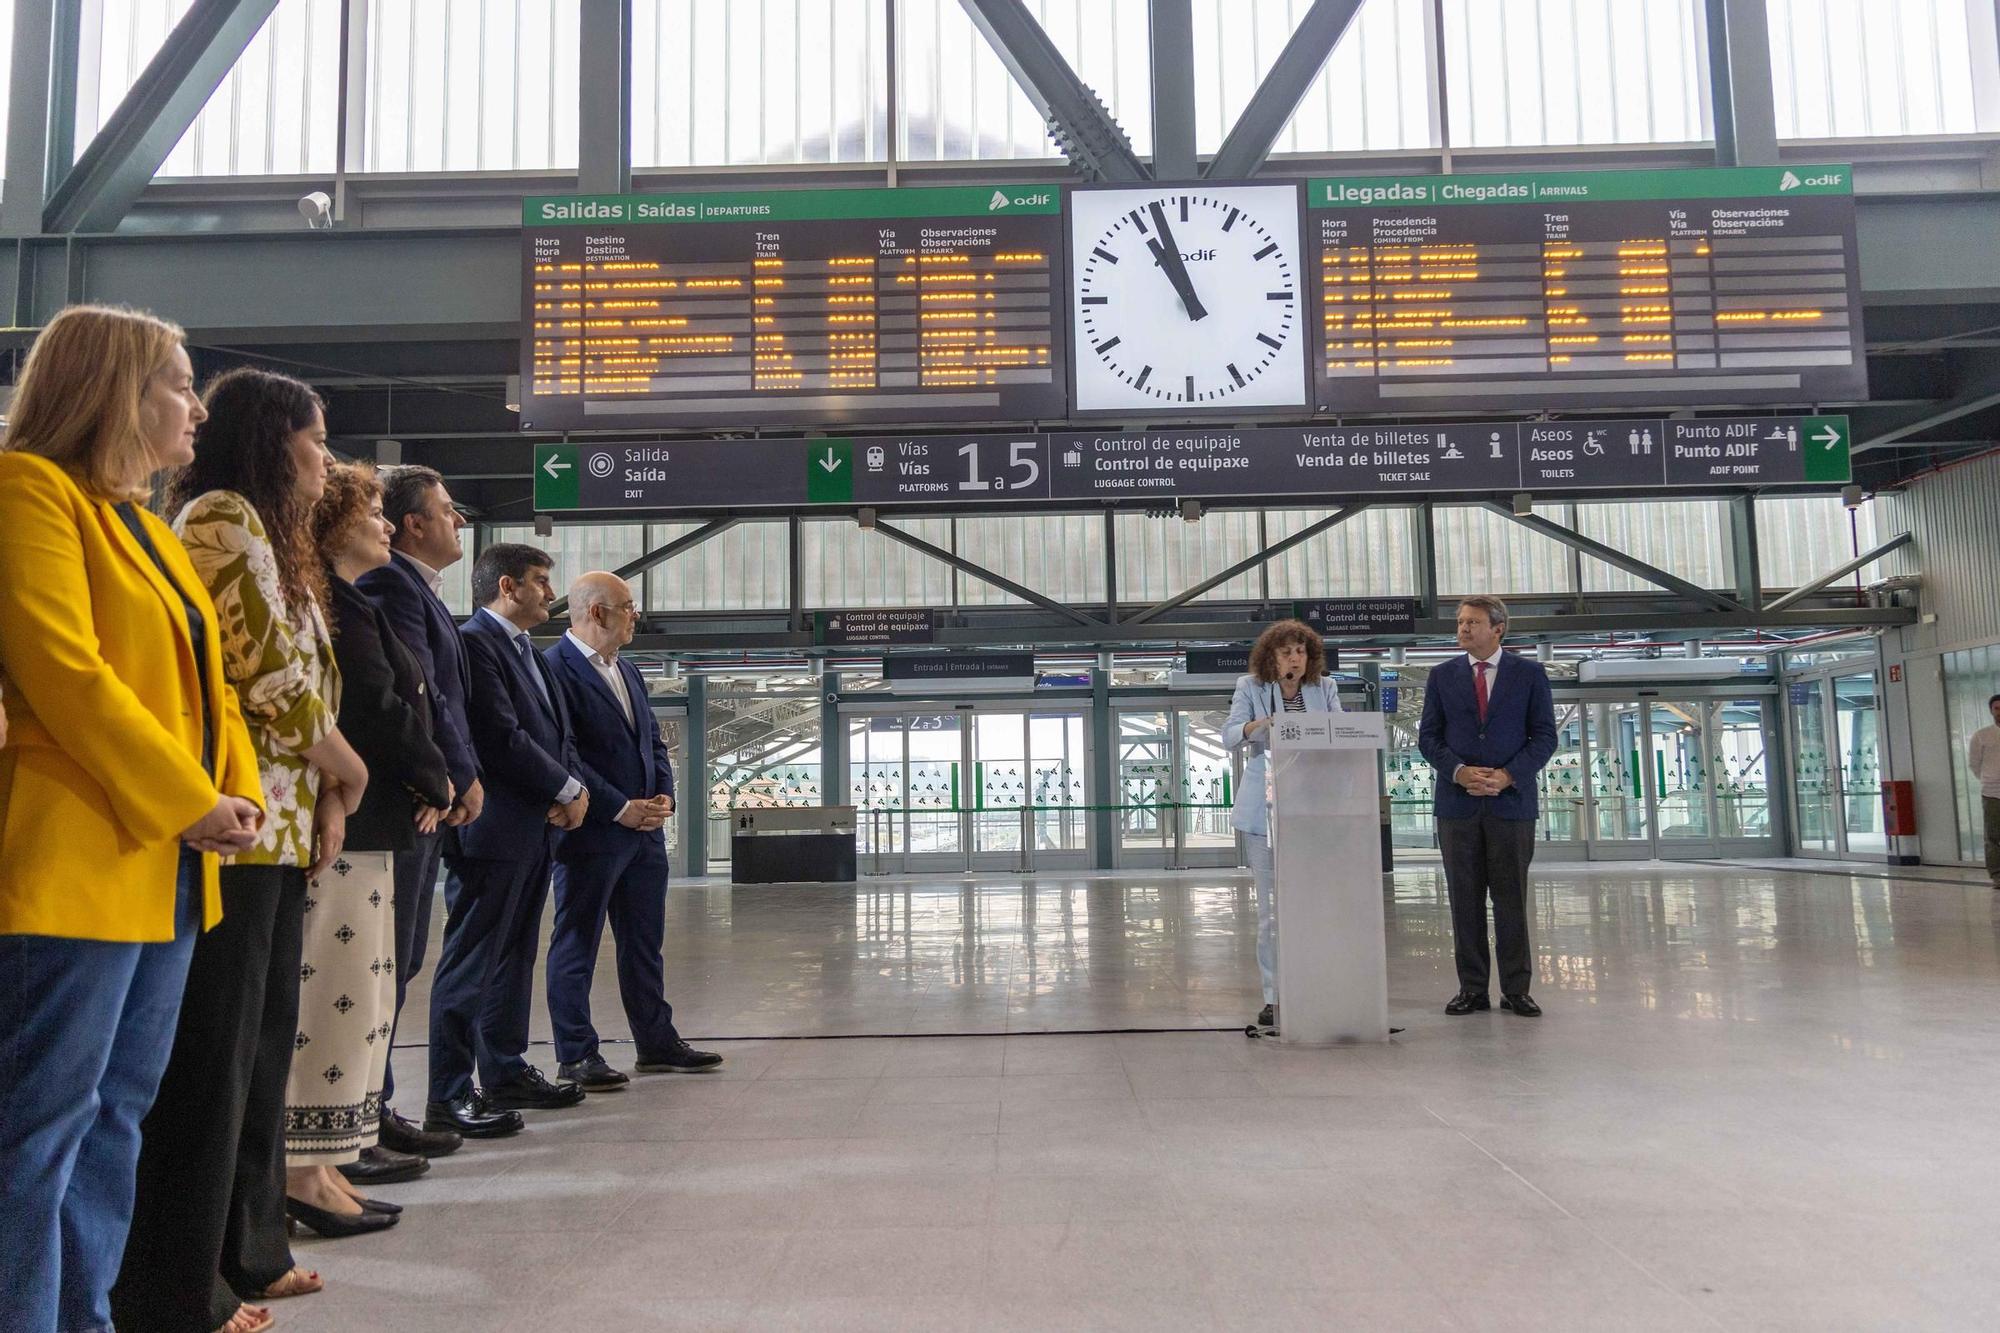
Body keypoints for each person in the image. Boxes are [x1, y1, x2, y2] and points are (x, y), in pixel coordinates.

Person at [0, 305, 263, 1333]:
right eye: (176, 384)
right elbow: (67, 674)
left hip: (164, 866)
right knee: (40, 1129)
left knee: (114, 1121)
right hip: (75, 859)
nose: (196, 407)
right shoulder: (28, 491)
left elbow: (212, 685)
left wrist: (230, 791)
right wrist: (193, 798)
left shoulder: (141, 525)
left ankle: (83, 1319)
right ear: (115, 389)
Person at [117, 367, 370, 1333]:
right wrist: (345, 767)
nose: (327, 457)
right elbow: (264, 667)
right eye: (316, 436)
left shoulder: (280, 537)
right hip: (235, 826)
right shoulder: (220, 517)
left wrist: (328, 800)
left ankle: (253, 1249)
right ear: (276, 440)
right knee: (212, 1061)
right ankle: (192, 1279)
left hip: (287, 820)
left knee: (263, 1053)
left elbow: (312, 667)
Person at [277, 463, 454, 1243]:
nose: (385, 523)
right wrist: (435, 774)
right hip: (354, 817)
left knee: (368, 996)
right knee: (336, 1001)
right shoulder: (342, 605)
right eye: (372, 511)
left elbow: (412, 698)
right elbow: (378, 708)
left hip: (378, 819)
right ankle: (307, 1166)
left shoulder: (352, 601)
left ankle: (329, 1159)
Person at [425, 543, 589, 1139]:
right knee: (473, 962)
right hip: (491, 830)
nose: (551, 593)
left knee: (515, 957)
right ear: (508, 587)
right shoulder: (476, 644)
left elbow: (555, 733)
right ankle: (447, 1094)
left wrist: (567, 790)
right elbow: (499, 735)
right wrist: (566, 787)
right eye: (542, 582)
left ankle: (504, 1069)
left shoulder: (530, 652)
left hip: (532, 827)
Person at [354, 465, 490, 1158]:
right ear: (414, 524)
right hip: (406, 801)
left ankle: (375, 1108)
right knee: (384, 961)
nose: (458, 521)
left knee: (402, 958)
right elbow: (422, 691)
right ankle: (363, 1113)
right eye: (447, 510)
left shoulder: (423, 591)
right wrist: (454, 776)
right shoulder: (388, 584)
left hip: (426, 802)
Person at [545, 572, 723, 1088]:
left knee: (644, 943)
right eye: (628, 606)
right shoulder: (554, 669)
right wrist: (619, 807)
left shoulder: (628, 671)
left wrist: (663, 793)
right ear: (597, 612)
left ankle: (656, 1042)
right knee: (576, 942)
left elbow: (652, 739)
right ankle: (576, 1054)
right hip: (591, 833)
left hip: (644, 835)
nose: (636, 615)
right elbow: (566, 754)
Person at [1417, 595, 1558, 1019]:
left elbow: (1545, 737)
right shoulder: (1441, 676)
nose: (1462, 629)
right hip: (1457, 806)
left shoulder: (1529, 675)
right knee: (1465, 901)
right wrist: (1458, 772)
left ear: (1498, 628)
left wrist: (1508, 775)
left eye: (1472, 622)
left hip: (1511, 804)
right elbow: (1429, 738)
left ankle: (1517, 989)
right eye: (1460, 622)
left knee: (1511, 900)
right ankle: (1472, 989)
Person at [1223, 619, 1344, 1031]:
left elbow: (1341, 734)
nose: (1295, 658)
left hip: (1313, 809)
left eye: (1301, 652)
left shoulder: (1324, 689)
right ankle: (1274, 996)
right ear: (1270, 657)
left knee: (1313, 905)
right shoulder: (1251, 687)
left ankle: (1315, 986)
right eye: (1286, 652)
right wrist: (1260, 725)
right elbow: (1229, 735)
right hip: (1265, 814)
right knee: (1271, 912)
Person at [1971, 693, 2000, 890]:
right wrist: (1988, 779)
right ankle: (1997, 874)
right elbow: (1974, 764)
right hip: (1992, 793)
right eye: (1996, 708)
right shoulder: (1981, 735)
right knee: (1993, 836)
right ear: (1991, 711)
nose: (1999, 712)